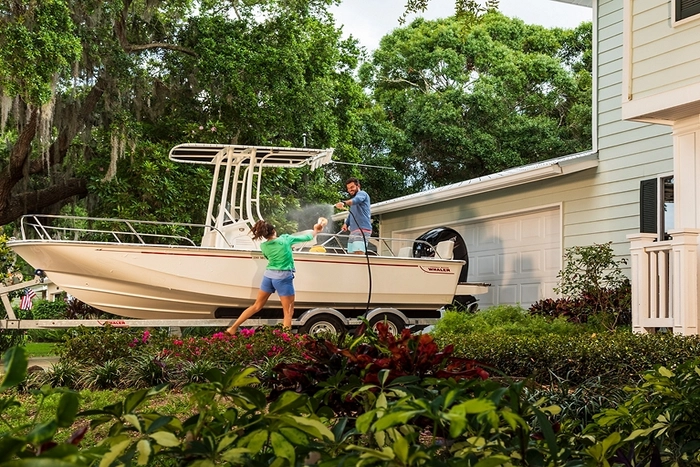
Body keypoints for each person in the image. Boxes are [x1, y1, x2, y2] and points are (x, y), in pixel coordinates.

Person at [225, 219, 324, 335]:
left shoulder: (264, 246)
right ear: (274, 231)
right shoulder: (286, 239)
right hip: (283, 277)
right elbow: (307, 238)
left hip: (268, 276)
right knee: (288, 312)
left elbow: (269, 257)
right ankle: (285, 340)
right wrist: (316, 230)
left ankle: (232, 328)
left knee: (256, 306)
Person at [335, 177, 372, 254]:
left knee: (359, 253)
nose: (350, 190)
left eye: (352, 187)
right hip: (353, 231)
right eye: (348, 188)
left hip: (362, 229)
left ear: (358, 186)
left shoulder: (362, 194)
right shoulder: (353, 202)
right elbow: (351, 213)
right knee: (351, 254)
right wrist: (346, 223)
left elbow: (357, 200)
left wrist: (344, 203)